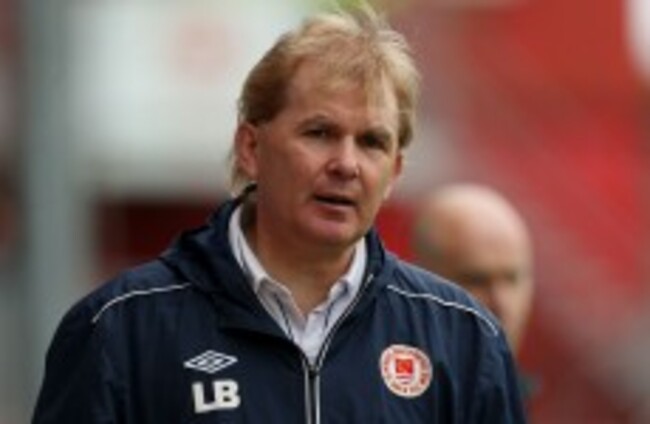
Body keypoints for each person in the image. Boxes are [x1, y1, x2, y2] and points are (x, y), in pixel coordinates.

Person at [33, 6, 526, 423]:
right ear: (250, 148)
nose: (346, 164)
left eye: (371, 142)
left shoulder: (464, 338)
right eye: (319, 133)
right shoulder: (120, 329)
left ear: (394, 171)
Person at [411, 183, 536, 399]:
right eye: (476, 281)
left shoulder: (516, 402)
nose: (501, 304)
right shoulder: (377, 401)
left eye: (512, 279)